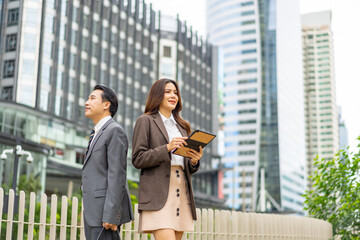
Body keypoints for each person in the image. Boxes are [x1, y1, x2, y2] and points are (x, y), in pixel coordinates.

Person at [132, 78, 203, 240]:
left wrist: (194, 160)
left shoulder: (182, 127)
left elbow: (186, 165)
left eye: (176, 93)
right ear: (157, 95)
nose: (173, 96)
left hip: (182, 190)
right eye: (168, 92)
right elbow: (137, 158)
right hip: (158, 193)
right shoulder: (145, 121)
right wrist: (167, 148)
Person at [82, 85, 134, 240]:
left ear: (106, 104)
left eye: (92, 98)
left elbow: (117, 175)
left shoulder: (114, 131)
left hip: (104, 215)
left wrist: (112, 215)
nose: (86, 102)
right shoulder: (97, 132)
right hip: (93, 212)